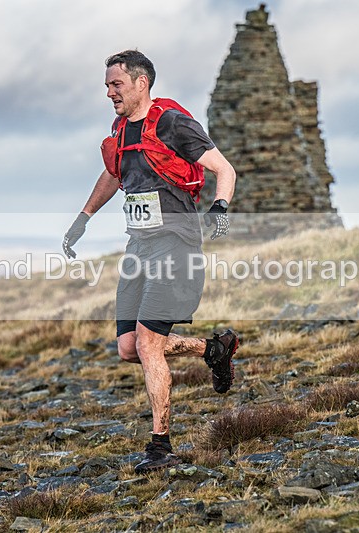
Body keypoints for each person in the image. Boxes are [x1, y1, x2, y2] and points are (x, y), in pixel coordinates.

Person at [62, 50, 239, 473]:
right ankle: (214, 349)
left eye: (116, 84)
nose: (109, 93)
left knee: (146, 343)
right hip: (138, 249)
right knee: (129, 348)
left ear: (141, 83)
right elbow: (113, 174)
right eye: (107, 85)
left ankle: (160, 446)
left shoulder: (171, 124)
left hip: (176, 245)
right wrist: (82, 219)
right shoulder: (121, 129)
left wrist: (220, 207)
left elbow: (224, 168)